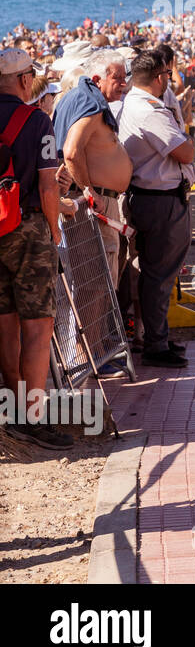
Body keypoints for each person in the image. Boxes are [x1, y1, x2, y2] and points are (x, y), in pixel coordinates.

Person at [0, 49, 67, 450]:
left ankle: (12, 407)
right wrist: (55, 231)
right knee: (38, 327)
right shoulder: (38, 120)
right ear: (26, 80)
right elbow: (47, 185)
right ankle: (34, 418)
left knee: (5, 322)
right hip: (27, 227)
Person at [118, 48, 195, 369]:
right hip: (159, 199)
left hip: (152, 196)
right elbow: (185, 152)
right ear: (157, 77)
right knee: (159, 275)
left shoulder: (136, 104)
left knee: (156, 275)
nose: (169, 80)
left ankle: (157, 337)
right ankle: (155, 343)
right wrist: (187, 137)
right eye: (166, 75)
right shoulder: (150, 109)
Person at [54, 50, 132, 287]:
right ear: (97, 79)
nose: (123, 83)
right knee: (97, 285)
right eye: (117, 78)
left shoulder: (78, 96)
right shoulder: (91, 102)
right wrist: (90, 191)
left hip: (89, 199)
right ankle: (97, 328)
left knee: (92, 282)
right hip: (95, 203)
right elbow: (71, 151)